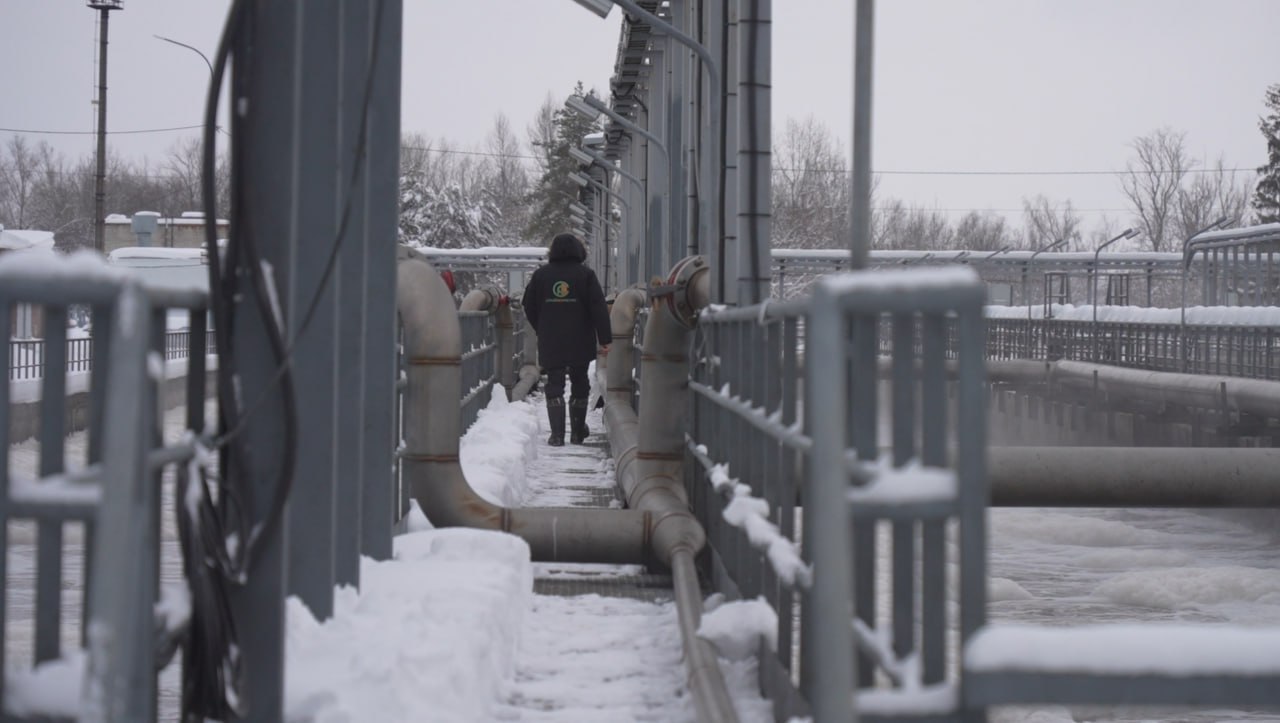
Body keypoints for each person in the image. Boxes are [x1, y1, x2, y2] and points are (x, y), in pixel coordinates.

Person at [522, 233, 611, 446]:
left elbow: (528, 304)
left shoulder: (541, 275)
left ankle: (557, 435)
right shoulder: (586, 275)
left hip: (551, 338)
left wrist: (541, 327)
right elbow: (598, 307)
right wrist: (605, 338)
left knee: (555, 383)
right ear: (579, 251)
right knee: (580, 382)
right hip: (580, 337)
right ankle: (578, 433)